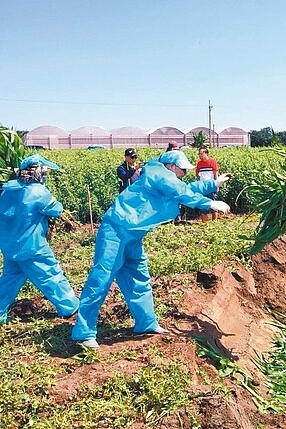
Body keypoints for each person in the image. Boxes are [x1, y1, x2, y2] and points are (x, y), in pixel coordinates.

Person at [71, 150, 232, 349]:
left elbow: (184, 189)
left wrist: (213, 184)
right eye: (182, 169)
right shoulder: (159, 174)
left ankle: (146, 323)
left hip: (133, 234)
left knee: (139, 279)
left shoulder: (164, 180)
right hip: (116, 231)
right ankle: (83, 332)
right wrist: (208, 203)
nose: (184, 173)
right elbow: (181, 190)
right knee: (101, 279)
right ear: (171, 166)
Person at [0, 154, 79, 323]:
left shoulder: (7, 190)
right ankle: (69, 307)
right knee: (50, 274)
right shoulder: (37, 191)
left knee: (8, 281)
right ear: (38, 172)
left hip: (9, 246)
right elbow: (56, 210)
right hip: (32, 246)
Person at [195, 146, 220, 222]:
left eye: (201, 153)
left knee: (213, 206)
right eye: (199, 154)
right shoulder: (199, 163)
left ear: (206, 153)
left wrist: (217, 185)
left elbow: (216, 175)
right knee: (203, 206)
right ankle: (204, 224)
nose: (200, 155)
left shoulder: (213, 162)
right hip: (202, 188)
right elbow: (197, 175)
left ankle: (214, 223)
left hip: (211, 187)